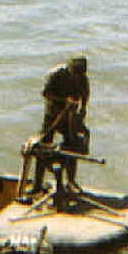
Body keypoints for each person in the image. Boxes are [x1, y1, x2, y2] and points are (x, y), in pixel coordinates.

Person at [35, 56, 90, 188]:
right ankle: (37, 184)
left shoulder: (83, 77)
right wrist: (64, 100)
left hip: (70, 116)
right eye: (75, 73)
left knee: (73, 146)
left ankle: (71, 181)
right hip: (53, 115)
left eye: (79, 74)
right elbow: (45, 93)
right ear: (69, 68)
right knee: (43, 147)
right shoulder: (55, 74)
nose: (77, 77)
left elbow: (85, 94)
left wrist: (83, 108)